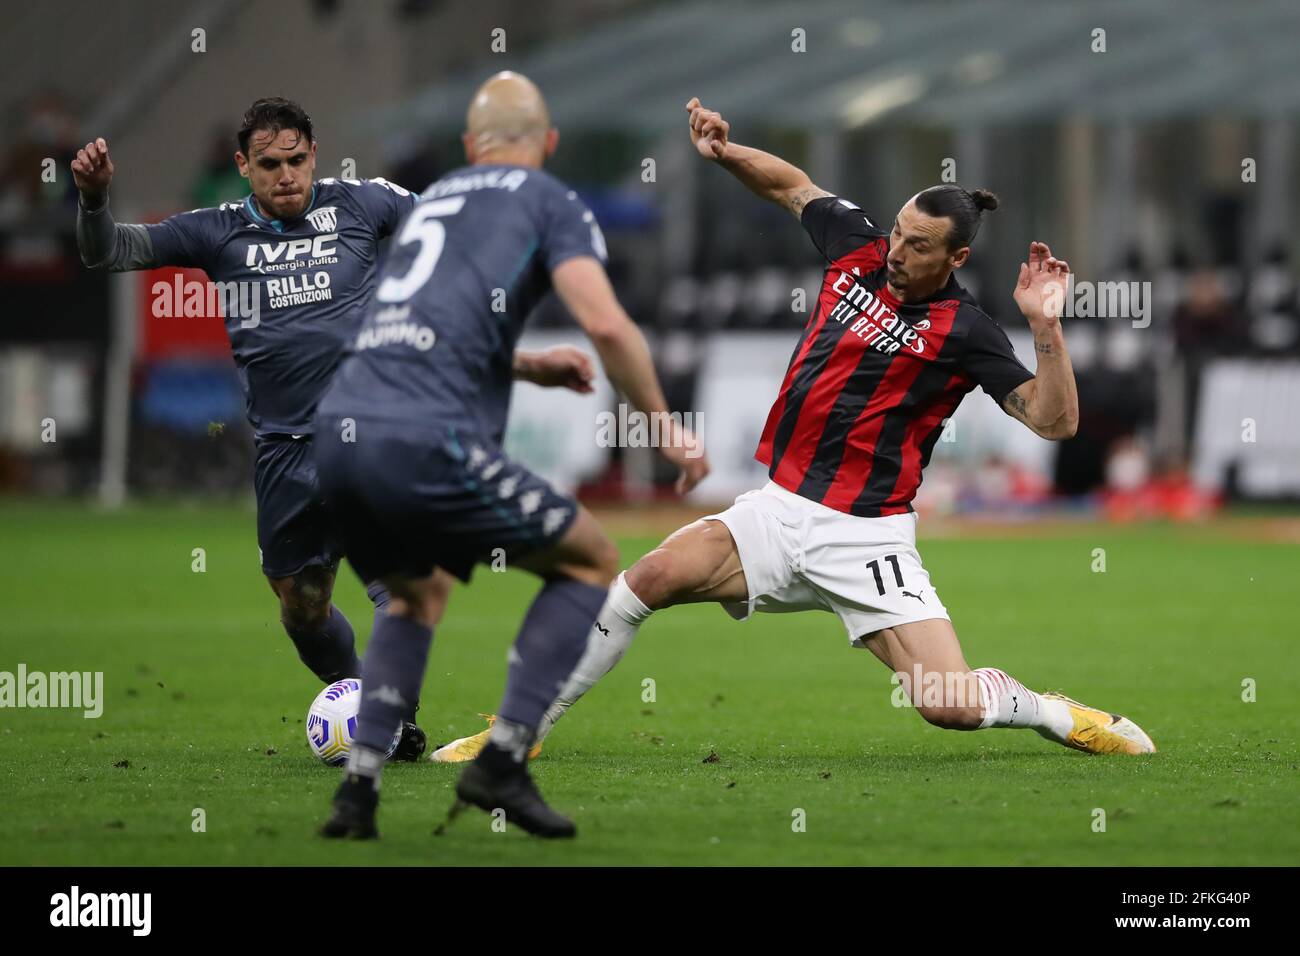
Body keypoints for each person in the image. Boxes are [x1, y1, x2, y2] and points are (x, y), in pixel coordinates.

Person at [523, 97, 1155, 759]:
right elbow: (792, 187)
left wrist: (1045, 326)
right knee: (646, 579)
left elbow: (1054, 422)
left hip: (864, 535)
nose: (898, 252)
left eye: (918, 245)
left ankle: (1048, 712)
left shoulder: (966, 332)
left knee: (948, 705)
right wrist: (726, 151)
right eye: (899, 233)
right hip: (778, 508)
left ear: (957, 257)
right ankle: (519, 733)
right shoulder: (858, 244)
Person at [71, 96, 595, 758]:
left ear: (314, 154)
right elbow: (108, 252)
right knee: (303, 608)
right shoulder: (216, 231)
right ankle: (365, 701)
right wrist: (92, 200)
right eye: (269, 165)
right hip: (284, 456)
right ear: (243, 165)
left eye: (296, 160)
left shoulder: (363, 204)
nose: (286, 175)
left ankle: (384, 716)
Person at [314, 72, 708, 839]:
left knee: (414, 593)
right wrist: (662, 425)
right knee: (591, 559)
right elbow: (607, 323)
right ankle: (503, 761)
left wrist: (525, 365)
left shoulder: (435, 201)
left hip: (340, 432)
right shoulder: (548, 200)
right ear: (549, 143)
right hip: (424, 437)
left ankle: (356, 793)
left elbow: (409, 324)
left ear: (470, 146)